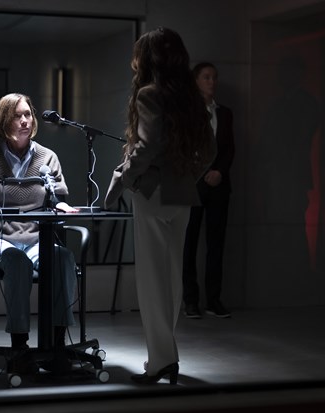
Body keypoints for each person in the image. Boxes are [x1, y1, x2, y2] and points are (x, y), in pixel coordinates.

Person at [104, 27, 216, 384]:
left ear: (147, 58)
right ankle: (166, 356)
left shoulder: (149, 93)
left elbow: (147, 145)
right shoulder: (190, 96)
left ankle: (161, 361)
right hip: (182, 193)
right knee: (172, 278)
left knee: (153, 280)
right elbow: (210, 149)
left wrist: (126, 176)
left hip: (152, 192)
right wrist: (189, 175)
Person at [0, 92, 79, 354]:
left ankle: (57, 342)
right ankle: (20, 344)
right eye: (17, 116)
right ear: (3, 120)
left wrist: (59, 204)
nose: (24, 120)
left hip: (36, 239)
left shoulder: (48, 158)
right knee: (17, 261)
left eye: (28, 114)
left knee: (62, 257)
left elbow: (58, 196)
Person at [182, 62, 235, 319]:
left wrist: (220, 172)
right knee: (188, 243)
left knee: (216, 243)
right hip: (193, 184)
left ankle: (214, 300)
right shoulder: (186, 112)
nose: (212, 82)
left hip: (219, 185)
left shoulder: (224, 113)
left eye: (214, 77)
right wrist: (201, 173)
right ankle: (190, 301)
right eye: (206, 77)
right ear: (195, 81)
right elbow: (183, 147)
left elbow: (229, 148)